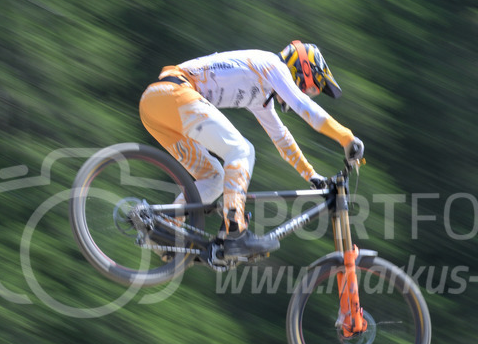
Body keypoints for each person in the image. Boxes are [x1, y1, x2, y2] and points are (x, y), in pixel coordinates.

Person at [138, 40, 364, 258]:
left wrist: (311, 175)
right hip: (175, 93)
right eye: (311, 87)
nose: (307, 92)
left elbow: (281, 137)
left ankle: (166, 229)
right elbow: (305, 109)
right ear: (301, 68)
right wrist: (346, 137)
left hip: (155, 106)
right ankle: (235, 229)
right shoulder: (272, 65)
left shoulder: (262, 96)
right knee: (242, 151)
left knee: (214, 178)